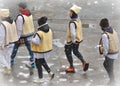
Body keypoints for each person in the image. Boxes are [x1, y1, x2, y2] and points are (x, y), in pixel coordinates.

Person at [65, 4, 89, 73]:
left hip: (72, 41)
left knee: (68, 52)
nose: (69, 13)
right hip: (78, 40)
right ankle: (83, 62)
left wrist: (73, 41)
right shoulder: (78, 19)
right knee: (75, 51)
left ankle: (71, 67)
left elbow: (73, 33)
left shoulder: (72, 22)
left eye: (70, 12)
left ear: (73, 13)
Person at [11, 2, 35, 68]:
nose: (18, 8)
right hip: (30, 34)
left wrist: (17, 38)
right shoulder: (29, 14)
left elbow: (19, 29)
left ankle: (11, 60)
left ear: (21, 7)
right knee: (31, 50)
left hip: (23, 36)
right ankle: (32, 62)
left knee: (15, 48)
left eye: (19, 7)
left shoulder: (20, 17)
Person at [31, 16, 54, 83]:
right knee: (42, 61)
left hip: (39, 50)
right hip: (46, 49)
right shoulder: (49, 30)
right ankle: (50, 72)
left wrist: (32, 39)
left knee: (38, 63)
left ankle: (40, 78)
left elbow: (37, 42)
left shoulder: (39, 33)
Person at [99, 18, 119, 85]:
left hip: (110, 54)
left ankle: (112, 81)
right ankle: (112, 79)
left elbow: (106, 47)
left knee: (106, 65)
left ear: (102, 26)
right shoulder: (113, 31)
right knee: (109, 66)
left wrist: (104, 54)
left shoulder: (105, 35)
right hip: (115, 52)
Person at [0, 9, 18, 74]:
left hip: (6, 43)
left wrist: (0, 44)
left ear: (2, 15)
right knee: (8, 56)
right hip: (12, 42)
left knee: (1, 56)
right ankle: (7, 70)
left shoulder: (3, 24)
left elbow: (1, 36)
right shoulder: (12, 21)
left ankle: (7, 67)